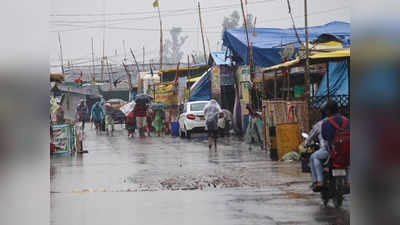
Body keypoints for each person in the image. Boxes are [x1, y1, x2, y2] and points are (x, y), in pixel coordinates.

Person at [305, 104, 329, 190]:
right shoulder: (344, 121)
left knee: (314, 157)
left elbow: (310, 136)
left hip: (328, 150)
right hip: (343, 149)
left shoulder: (321, 124)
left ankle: (318, 181)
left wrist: (306, 144)